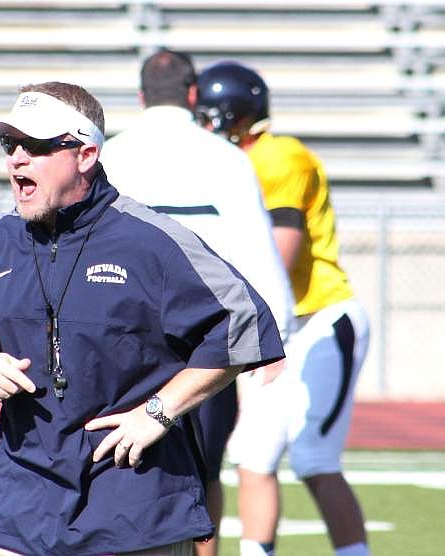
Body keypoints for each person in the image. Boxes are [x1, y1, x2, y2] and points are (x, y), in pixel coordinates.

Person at [0, 80, 286, 556]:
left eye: (35, 146)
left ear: (85, 154)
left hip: (137, 509)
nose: (16, 158)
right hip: (23, 509)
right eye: (10, 144)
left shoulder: (152, 241)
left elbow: (243, 325)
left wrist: (159, 412)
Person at [101, 49, 295, 556]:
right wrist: (275, 338)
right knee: (203, 475)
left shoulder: (111, 154)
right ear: (193, 94)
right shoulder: (227, 157)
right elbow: (259, 250)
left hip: (126, 340)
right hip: (206, 343)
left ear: (142, 97)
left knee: (116, 468)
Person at [196, 61, 371, 556]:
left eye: (211, 118)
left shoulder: (278, 157)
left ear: (235, 116)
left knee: (314, 456)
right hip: (277, 326)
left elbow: (281, 251)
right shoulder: (231, 164)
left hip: (320, 318)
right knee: (253, 454)